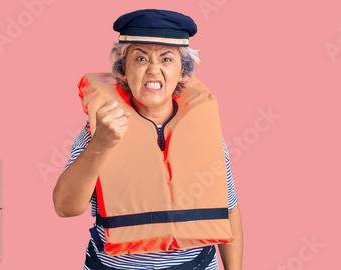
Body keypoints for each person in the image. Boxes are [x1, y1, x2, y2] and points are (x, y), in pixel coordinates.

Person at [52, 9, 243, 270]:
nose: (153, 69)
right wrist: (100, 145)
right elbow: (65, 208)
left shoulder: (206, 133)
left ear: (183, 71)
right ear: (123, 68)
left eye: (166, 59)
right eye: (140, 58)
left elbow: (228, 209)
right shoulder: (97, 132)